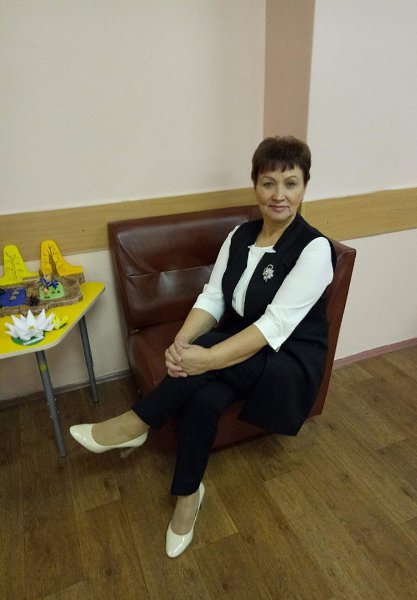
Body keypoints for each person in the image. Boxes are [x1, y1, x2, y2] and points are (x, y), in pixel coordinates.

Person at [70, 135, 335, 558]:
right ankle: (188, 495)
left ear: (305, 186)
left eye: (291, 183)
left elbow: (273, 326)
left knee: (207, 358)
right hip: (240, 343)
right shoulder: (240, 235)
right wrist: (181, 342)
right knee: (203, 398)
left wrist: (207, 357)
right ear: (255, 185)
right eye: (268, 183)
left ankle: (135, 424)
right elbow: (213, 298)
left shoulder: (314, 248)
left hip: (287, 357)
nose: (279, 195)